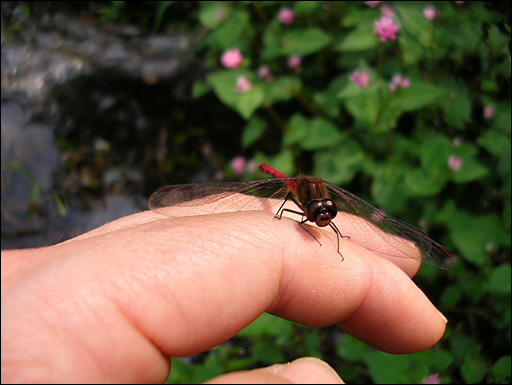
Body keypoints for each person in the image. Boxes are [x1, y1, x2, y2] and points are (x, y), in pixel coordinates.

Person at [1, 209, 448, 383]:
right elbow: (283, 217)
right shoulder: (296, 204)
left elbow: (326, 223)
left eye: (326, 211)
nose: (324, 215)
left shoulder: (325, 212)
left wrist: (328, 226)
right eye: (321, 211)